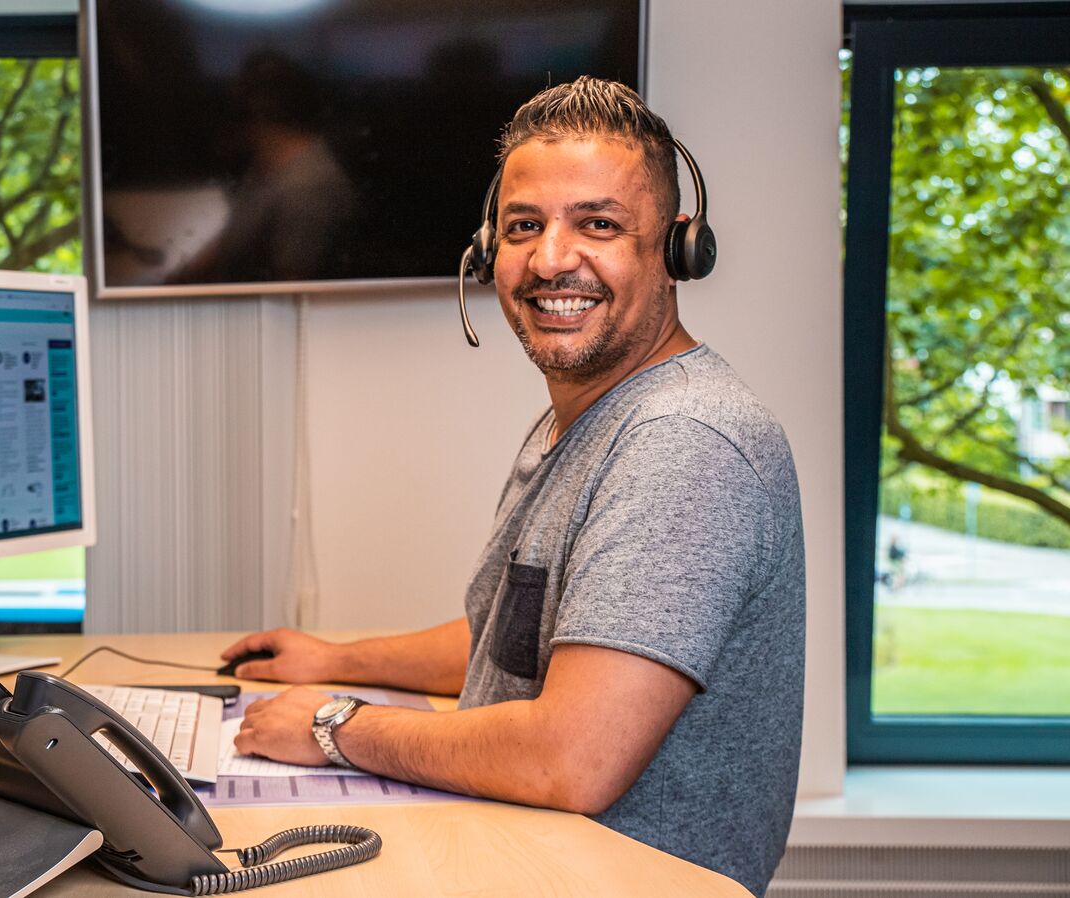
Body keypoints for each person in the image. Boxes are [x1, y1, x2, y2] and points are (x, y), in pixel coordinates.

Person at [219, 77, 805, 897]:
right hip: (527, 858)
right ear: (486, 250)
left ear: (677, 252)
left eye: (598, 224)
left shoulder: (683, 442)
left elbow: (573, 756)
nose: (551, 258)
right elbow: (523, 644)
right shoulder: (586, 419)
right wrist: (335, 659)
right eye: (524, 226)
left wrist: (334, 725)